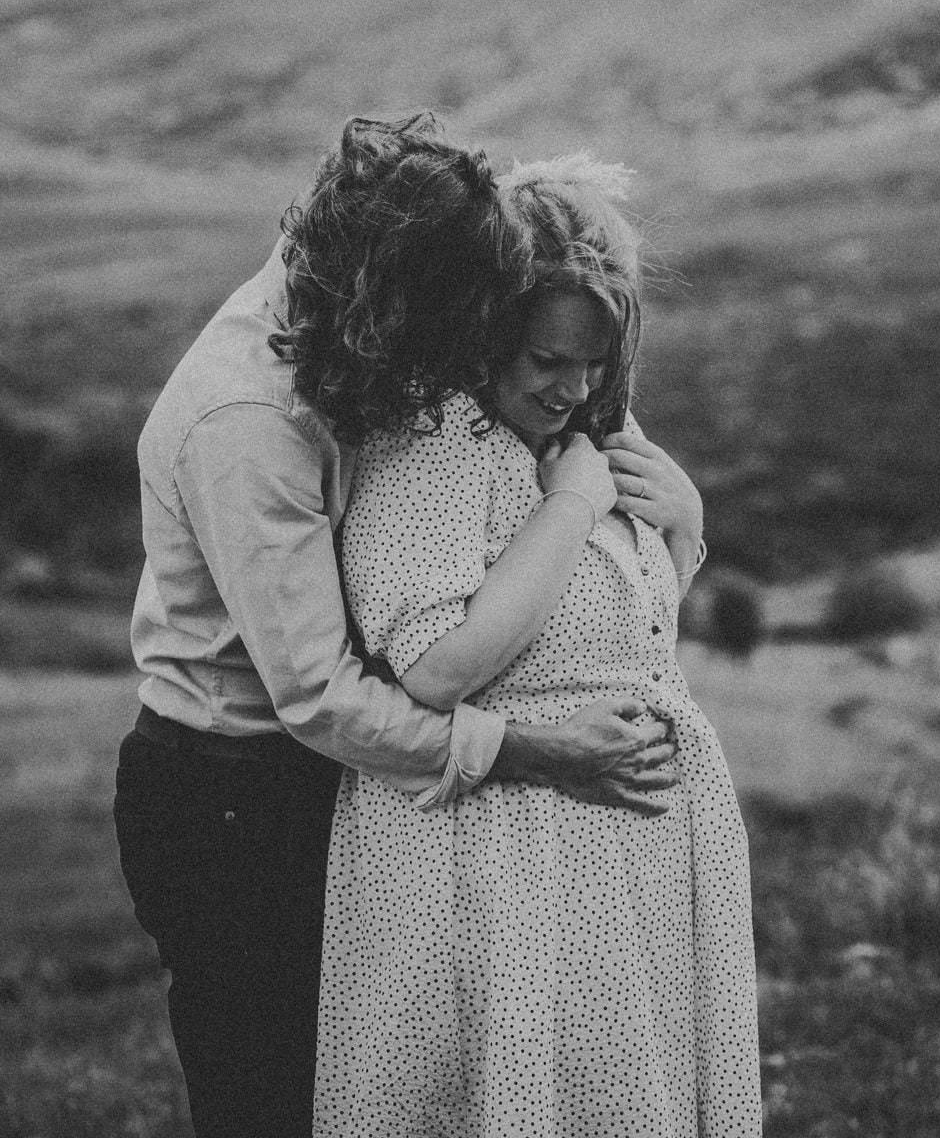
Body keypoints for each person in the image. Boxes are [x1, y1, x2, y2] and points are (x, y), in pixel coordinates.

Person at [113, 115, 678, 1138]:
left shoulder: (357, 295)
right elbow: (319, 696)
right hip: (236, 798)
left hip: (328, 783)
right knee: (275, 1103)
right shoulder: (246, 424)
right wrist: (529, 750)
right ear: (393, 299)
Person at [315, 154, 765, 1137]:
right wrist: (570, 504)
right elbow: (437, 666)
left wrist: (685, 524)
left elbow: (609, 625)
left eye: (594, 360)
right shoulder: (429, 445)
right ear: (485, 335)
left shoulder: (589, 434)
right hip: (501, 868)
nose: (574, 386)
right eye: (547, 360)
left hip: (612, 863)